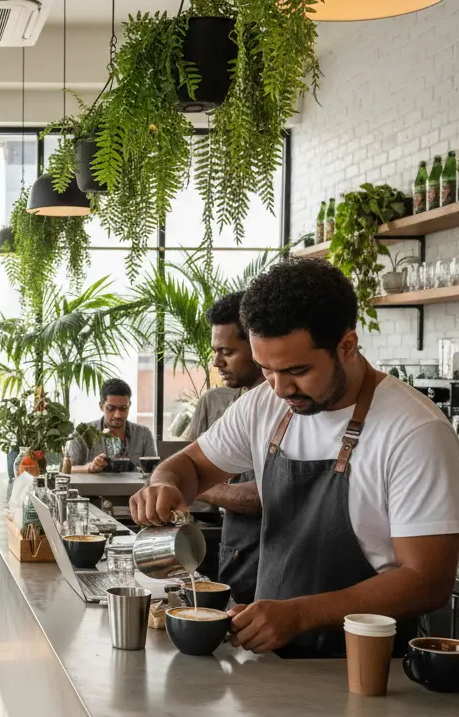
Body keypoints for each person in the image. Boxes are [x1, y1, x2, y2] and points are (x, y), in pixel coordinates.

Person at [130, 257, 459, 659]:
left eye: (297, 371)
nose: (280, 388)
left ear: (347, 346)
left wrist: (300, 614)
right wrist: (165, 483)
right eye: (266, 369)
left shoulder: (414, 431)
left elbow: (427, 580)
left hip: (366, 671)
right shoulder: (264, 405)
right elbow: (191, 465)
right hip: (271, 665)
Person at [185, 292, 265, 605]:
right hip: (237, 548)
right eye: (215, 351)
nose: (217, 362)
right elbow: (189, 461)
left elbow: (263, 495)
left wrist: (196, 486)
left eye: (227, 351)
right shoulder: (238, 402)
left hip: (262, 560)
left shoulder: (284, 405)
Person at [67, 378, 157, 472]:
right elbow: (68, 469)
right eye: (111, 408)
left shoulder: (143, 434)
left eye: (123, 408)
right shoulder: (83, 433)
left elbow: (155, 471)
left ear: (129, 405)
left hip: (136, 487)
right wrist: (89, 468)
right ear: (101, 406)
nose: (117, 415)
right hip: (95, 487)